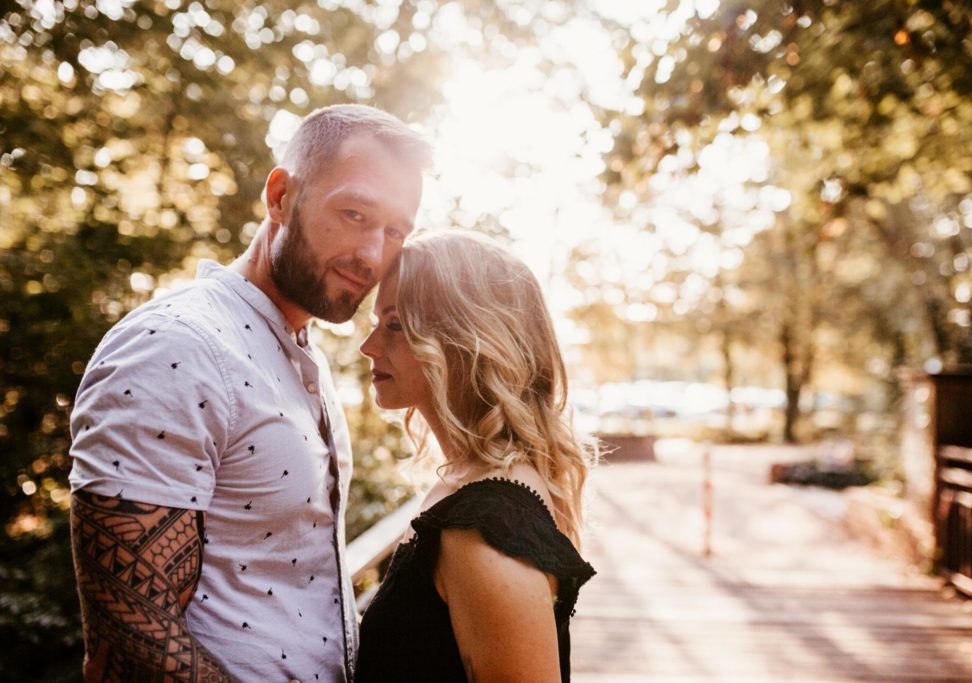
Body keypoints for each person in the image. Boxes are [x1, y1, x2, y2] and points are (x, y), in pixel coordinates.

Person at [67, 104, 431, 682]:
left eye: (394, 232)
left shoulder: (301, 355)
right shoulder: (175, 347)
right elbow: (130, 642)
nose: (372, 255)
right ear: (281, 196)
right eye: (354, 213)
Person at [355, 231, 597, 683]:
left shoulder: (486, 527)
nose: (367, 346)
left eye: (395, 325)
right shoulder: (467, 484)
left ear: (466, 340)